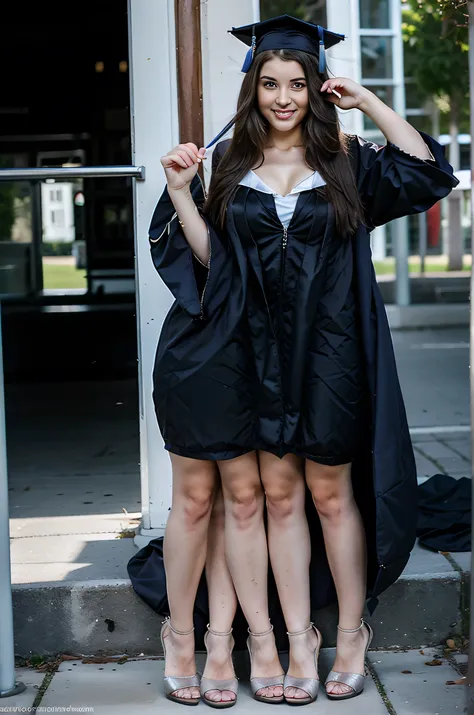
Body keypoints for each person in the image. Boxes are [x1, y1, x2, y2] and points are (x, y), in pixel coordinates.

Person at [149, 14, 458, 706]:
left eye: (297, 83)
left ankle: (351, 632)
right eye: (270, 83)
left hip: (331, 352)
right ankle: (295, 641)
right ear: (253, 88)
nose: (283, 97)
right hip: (252, 357)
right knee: (279, 496)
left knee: (330, 492)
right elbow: (214, 266)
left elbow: (428, 172)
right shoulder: (230, 166)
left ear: (317, 87)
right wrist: (180, 193)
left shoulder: (348, 162)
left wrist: (368, 100)